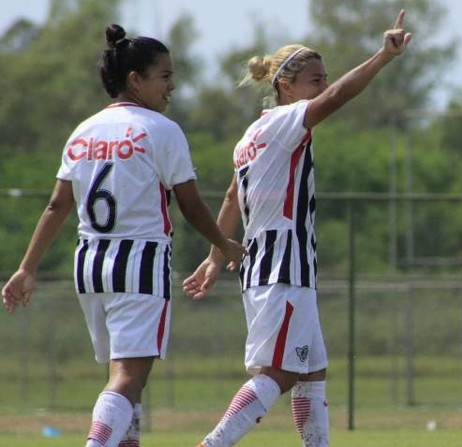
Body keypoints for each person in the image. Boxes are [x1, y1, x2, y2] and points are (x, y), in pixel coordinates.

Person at [1, 24, 245, 447]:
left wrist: (27, 268)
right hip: (140, 262)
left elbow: (58, 205)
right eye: (164, 76)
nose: (172, 85)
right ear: (135, 79)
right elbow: (190, 206)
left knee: (125, 379)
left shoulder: (84, 131)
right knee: (128, 378)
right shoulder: (162, 130)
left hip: (90, 263)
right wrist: (224, 245)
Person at [182, 8, 412, 447]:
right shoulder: (289, 121)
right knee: (281, 373)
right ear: (285, 86)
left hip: (268, 268)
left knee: (312, 371)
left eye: (324, 78)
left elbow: (232, 198)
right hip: (284, 268)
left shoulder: (251, 134)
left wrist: (214, 257)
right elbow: (341, 96)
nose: (322, 87)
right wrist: (382, 57)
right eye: (315, 79)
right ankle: (213, 444)